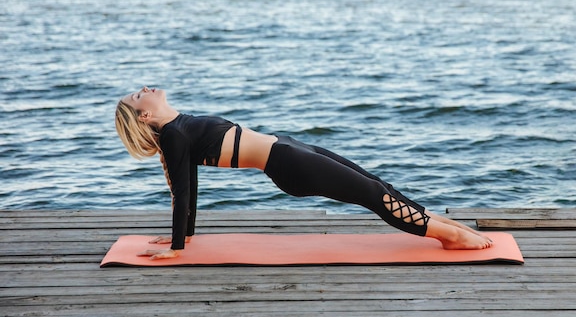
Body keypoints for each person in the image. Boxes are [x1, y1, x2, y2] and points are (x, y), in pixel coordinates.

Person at [115, 86, 493, 260]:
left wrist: (189, 237)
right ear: (144, 116)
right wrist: (179, 247)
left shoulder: (180, 125)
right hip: (287, 163)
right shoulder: (175, 136)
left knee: (378, 185)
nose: (145, 88)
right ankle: (448, 237)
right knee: (373, 196)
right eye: (137, 95)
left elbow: (190, 189)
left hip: (289, 146)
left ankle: (444, 225)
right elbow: (183, 191)